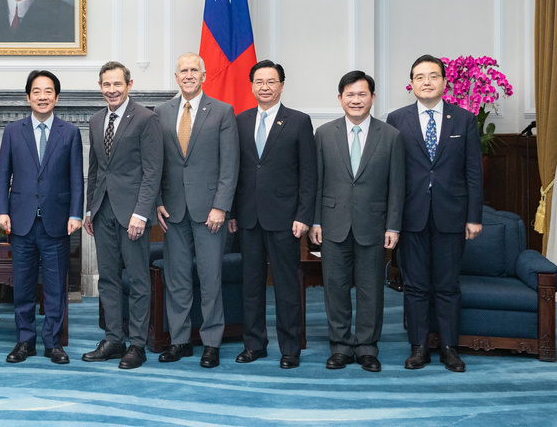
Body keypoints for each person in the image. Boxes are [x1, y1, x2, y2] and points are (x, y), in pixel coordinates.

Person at [386, 54, 483, 373]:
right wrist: (392, 220)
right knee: (415, 286)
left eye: (432, 76)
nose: (426, 82)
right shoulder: (397, 119)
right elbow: (392, 175)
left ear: (444, 81)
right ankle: (418, 347)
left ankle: (449, 348)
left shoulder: (465, 119)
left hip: (452, 216)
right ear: (411, 83)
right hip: (411, 217)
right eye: (419, 77)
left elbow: (473, 173)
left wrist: (474, 216)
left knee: (447, 285)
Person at [310, 70, 405, 373]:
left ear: (372, 98)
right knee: (335, 289)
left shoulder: (390, 135)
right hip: (332, 222)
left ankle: (366, 348)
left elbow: (397, 185)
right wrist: (315, 222)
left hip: (374, 225)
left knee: (371, 290)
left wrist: (393, 225)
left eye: (362, 94)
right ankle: (340, 347)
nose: (356, 100)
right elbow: (316, 182)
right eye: (349, 94)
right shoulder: (324, 134)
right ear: (340, 99)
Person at [229, 60, 316, 369]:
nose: (264, 87)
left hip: (286, 219)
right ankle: (254, 344)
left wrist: (304, 215)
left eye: (271, 81)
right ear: (251, 86)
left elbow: (309, 174)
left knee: (286, 286)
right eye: (259, 81)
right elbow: (235, 171)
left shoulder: (299, 121)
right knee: (250, 284)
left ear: (281, 85)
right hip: (248, 219)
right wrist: (232, 212)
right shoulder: (240, 121)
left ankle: (290, 348)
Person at [154, 53, 239, 368]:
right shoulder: (160, 113)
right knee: (177, 280)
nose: (188, 75)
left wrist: (221, 206)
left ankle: (211, 343)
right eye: (183, 70)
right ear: (176, 77)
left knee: (210, 278)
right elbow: (155, 163)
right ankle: (179, 341)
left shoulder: (222, 112)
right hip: (172, 212)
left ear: (204, 75)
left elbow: (230, 166)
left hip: (210, 213)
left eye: (194, 70)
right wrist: (157, 201)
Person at [0, 70, 84, 365]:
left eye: (48, 91)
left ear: (57, 97)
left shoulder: (69, 133)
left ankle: (52, 343)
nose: (42, 96)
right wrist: (1, 211)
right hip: (20, 221)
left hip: (57, 221)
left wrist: (75, 213)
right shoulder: (12, 131)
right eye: (37, 91)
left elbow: (76, 179)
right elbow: (2, 176)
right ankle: (25, 341)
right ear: (28, 96)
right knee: (22, 285)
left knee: (56, 287)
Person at [82, 61, 162, 370]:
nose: (112, 90)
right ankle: (114, 339)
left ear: (129, 84)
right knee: (108, 279)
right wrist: (90, 208)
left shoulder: (146, 119)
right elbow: (94, 169)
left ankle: (137, 345)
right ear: (100, 86)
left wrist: (142, 213)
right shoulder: (95, 120)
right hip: (102, 212)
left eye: (117, 84)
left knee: (139, 280)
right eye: (106, 84)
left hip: (133, 215)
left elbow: (152, 171)